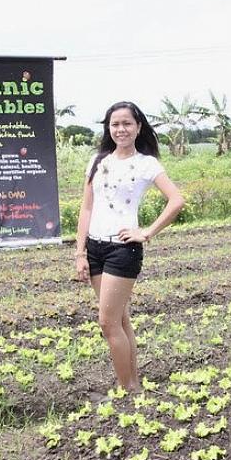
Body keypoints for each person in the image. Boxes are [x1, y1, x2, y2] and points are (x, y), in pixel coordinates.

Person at [74, 101, 184, 392]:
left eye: (126, 124)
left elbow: (177, 201)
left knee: (108, 323)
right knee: (120, 320)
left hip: (122, 250)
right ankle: (133, 385)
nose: (120, 129)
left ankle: (127, 391)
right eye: (115, 124)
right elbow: (86, 209)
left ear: (138, 128)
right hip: (94, 248)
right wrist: (80, 252)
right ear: (108, 128)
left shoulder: (146, 163)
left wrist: (147, 232)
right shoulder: (98, 161)